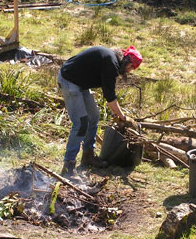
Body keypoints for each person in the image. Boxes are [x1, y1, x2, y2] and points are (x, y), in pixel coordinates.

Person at [57, 45, 143, 177]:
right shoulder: (111, 63)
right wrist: (123, 117)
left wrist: (117, 113)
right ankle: (68, 166)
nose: (129, 71)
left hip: (80, 82)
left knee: (94, 116)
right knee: (81, 123)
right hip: (69, 81)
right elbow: (110, 98)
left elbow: (108, 93)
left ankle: (88, 155)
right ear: (126, 61)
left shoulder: (111, 60)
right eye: (131, 67)